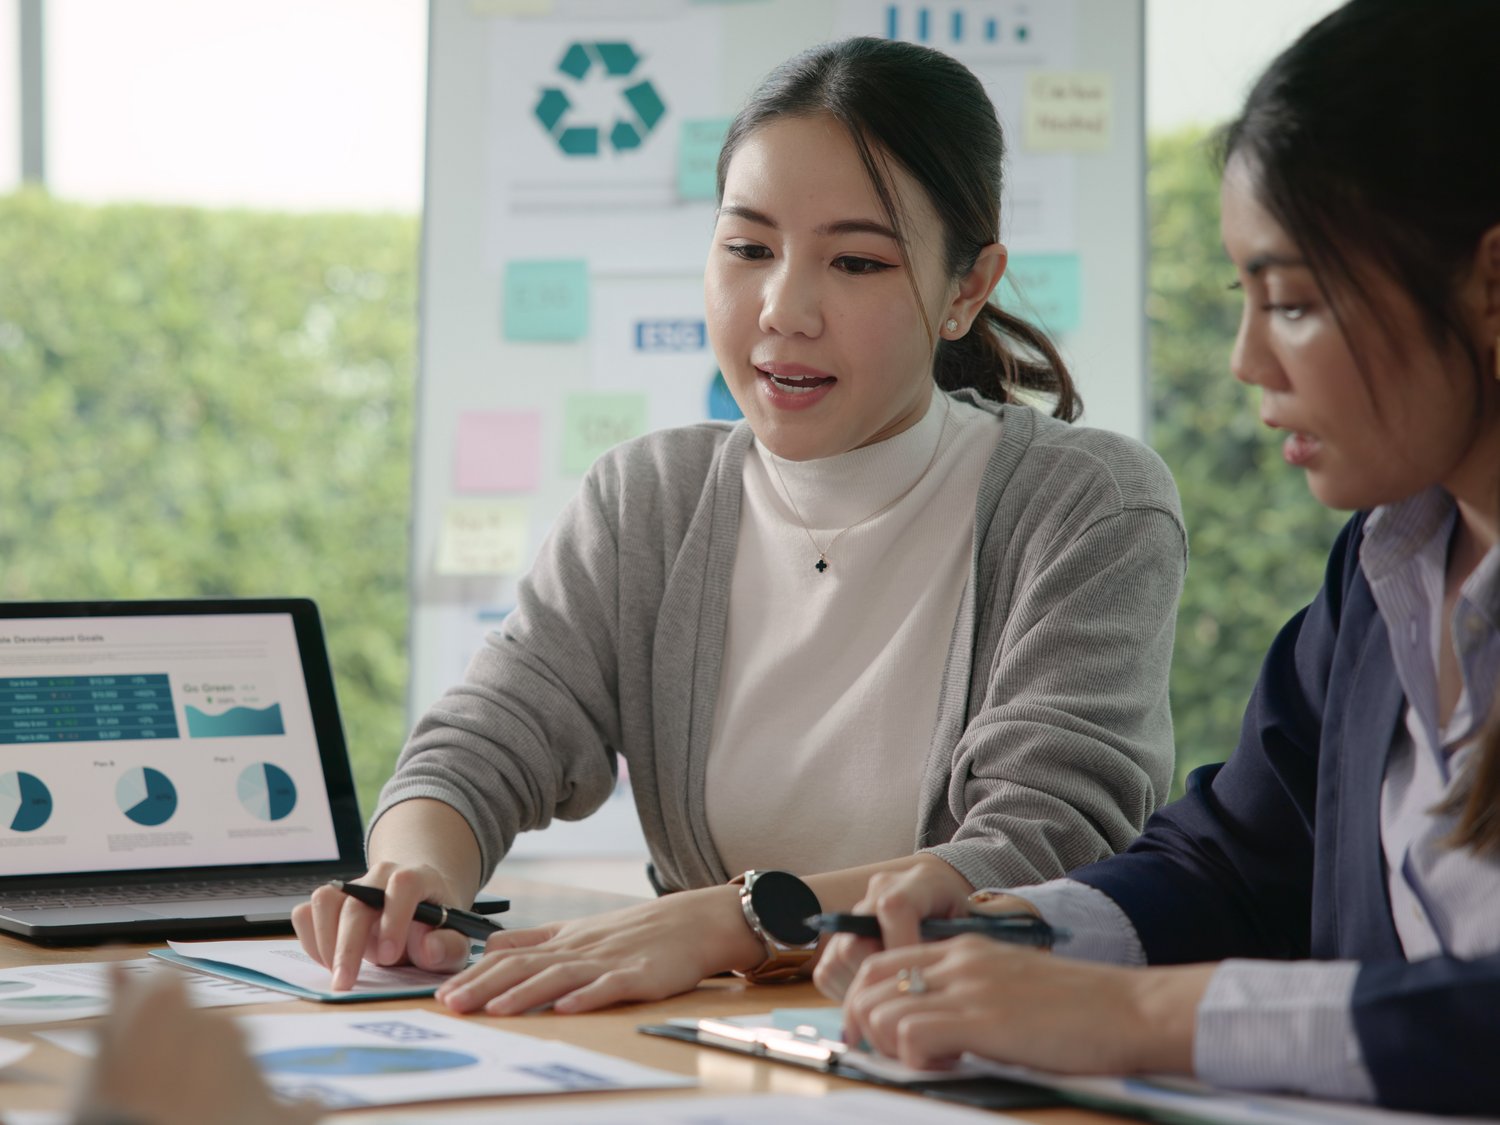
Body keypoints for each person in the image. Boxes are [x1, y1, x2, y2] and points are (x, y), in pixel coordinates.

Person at [292, 36, 1185, 1015]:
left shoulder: (1084, 503)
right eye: (748, 248)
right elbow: (488, 740)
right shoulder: (651, 498)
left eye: (855, 261)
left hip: (956, 1045)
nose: (783, 309)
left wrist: (736, 921)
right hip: (704, 1047)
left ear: (966, 289)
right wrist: (413, 873)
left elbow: (1050, 844)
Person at [818, 0, 1500, 1114]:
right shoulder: (1386, 573)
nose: (1244, 362)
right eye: (1245, 300)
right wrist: (1007, 935)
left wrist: (1136, 1018)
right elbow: (1233, 863)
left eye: (1291, 303)